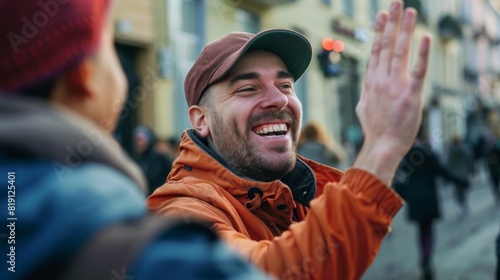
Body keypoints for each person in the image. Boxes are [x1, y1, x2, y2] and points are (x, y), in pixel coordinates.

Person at [148, 1, 431, 279]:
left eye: (285, 85)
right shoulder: (180, 214)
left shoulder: (295, 198)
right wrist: (381, 150)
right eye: (248, 88)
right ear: (201, 120)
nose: (279, 98)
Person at [0, 1, 270, 279]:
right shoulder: (164, 258)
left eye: (285, 84)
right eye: (110, 48)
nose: (277, 99)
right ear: (84, 76)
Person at [394, 134, 467, 280]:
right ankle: (427, 256)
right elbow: (443, 172)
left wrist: (400, 197)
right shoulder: (429, 154)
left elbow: (400, 182)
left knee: (421, 230)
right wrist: (461, 182)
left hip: (415, 200)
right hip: (429, 199)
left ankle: (423, 256)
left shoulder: (407, 157)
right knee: (428, 230)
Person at [133, 125, 173, 195]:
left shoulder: (162, 160)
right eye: (136, 140)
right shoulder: (135, 160)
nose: (139, 143)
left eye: (141, 140)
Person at [446, 135, 475, 217]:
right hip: (463, 173)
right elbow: (469, 161)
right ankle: (463, 204)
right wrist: (471, 170)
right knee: (464, 190)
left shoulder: (451, 151)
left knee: (457, 190)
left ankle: (459, 204)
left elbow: (448, 163)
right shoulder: (464, 149)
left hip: (454, 174)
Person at [487, 128, 500, 204]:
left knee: (495, 183)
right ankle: (497, 194)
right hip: (494, 168)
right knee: (495, 183)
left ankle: (497, 195)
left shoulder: (489, 148)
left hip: (493, 169)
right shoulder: (496, 145)